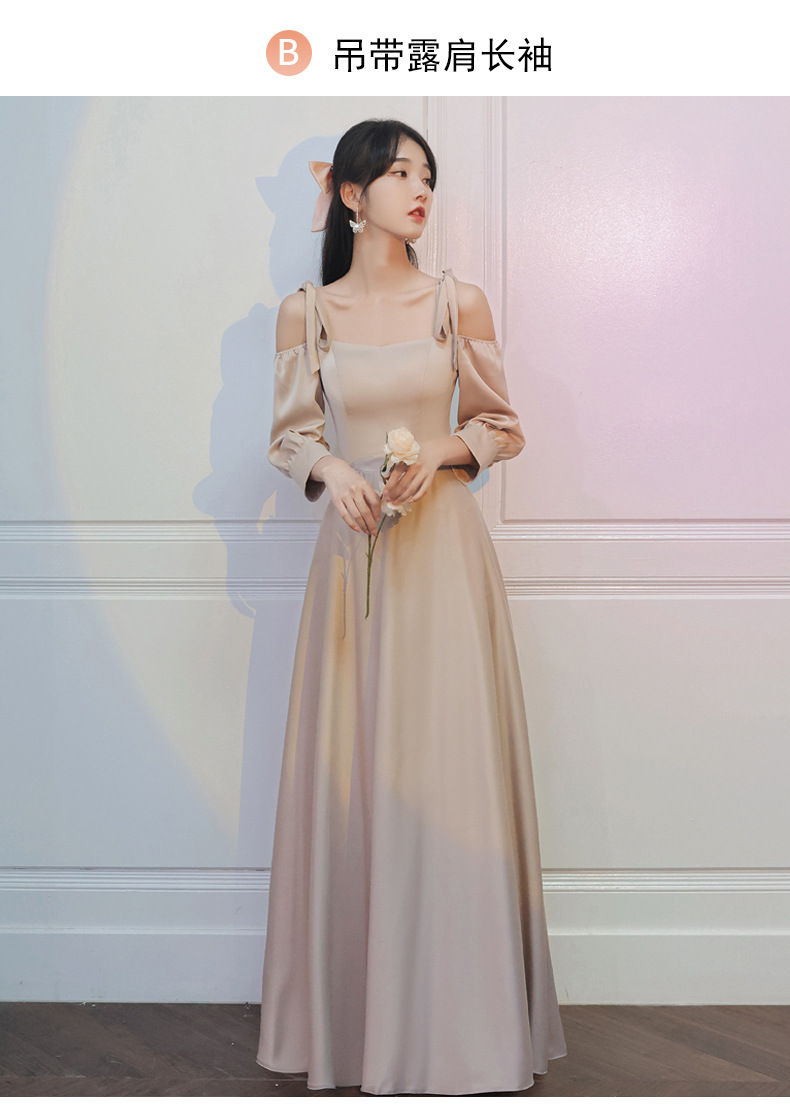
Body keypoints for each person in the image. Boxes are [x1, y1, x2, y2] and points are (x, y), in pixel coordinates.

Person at [256, 118, 567, 1096]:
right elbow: (290, 435)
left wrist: (438, 450)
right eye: (397, 173)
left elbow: (500, 425)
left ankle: (464, 1025)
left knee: (451, 772)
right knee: (359, 776)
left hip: (444, 562)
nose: (419, 187)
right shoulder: (305, 312)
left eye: (426, 173)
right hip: (355, 564)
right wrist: (332, 470)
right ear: (351, 196)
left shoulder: (455, 303)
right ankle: (360, 1028)